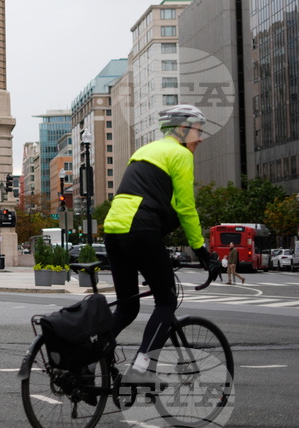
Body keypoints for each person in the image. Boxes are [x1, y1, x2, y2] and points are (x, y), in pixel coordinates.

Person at [103, 104, 219, 387]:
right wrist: (203, 252)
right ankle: (141, 369)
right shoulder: (180, 154)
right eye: (198, 131)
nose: (200, 139)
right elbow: (185, 208)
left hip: (113, 228)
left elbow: (152, 201)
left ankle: (88, 354)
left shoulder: (145, 151)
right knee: (166, 301)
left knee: (126, 308)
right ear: (182, 130)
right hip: (140, 229)